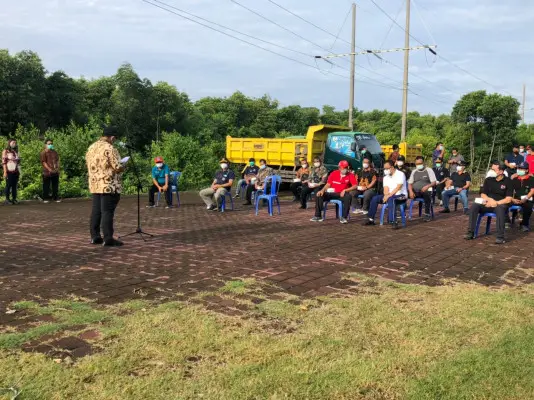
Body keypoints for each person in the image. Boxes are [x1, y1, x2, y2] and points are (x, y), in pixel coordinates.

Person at [86, 126, 125, 246]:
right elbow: (117, 167)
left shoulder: (91, 147)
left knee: (96, 211)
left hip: (95, 184)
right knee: (107, 211)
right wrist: (124, 165)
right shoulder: (110, 148)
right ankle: (108, 238)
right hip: (108, 185)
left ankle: (95, 236)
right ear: (112, 137)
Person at [464, 162, 512, 244]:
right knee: (475, 206)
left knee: (501, 209)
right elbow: (483, 194)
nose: (491, 171)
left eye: (494, 170)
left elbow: (508, 199)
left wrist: (495, 203)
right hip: (487, 203)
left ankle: (500, 237)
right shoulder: (488, 180)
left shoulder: (508, 181)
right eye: (491, 169)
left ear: (501, 171)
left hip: (500, 204)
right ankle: (470, 232)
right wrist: (490, 200)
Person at [364, 160, 408, 229]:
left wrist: (388, 196)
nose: (385, 170)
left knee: (391, 199)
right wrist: (386, 195)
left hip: (401, 195)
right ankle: (370, 219)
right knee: (375, 198)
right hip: (389, 195)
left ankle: (393, 221)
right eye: (385, 168)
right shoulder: (386, 177)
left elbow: (398, 188)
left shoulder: (400, 174)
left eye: (387, 168)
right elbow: (385, 188)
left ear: (392, 167)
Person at [408, 156, 437, 222]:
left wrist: (427, 186)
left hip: (427, 189)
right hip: (416, 191)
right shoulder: (414, 171)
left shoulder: (429, 170)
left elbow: (434, 182)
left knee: (428, 192)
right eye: (417, 164)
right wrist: (410, 191)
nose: (418, 165)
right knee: (403, 194)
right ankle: (401, 214)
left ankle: (427, 214)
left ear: (423, 163)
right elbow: (410, 183)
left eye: (420, 163)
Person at [510, 161, 534, 232]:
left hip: (528, 197)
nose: (519, 170)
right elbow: (510, 190)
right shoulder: (515, 178)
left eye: (522, 169)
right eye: (519, 168)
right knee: (505, 202)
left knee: (528, 205)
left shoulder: (531, 179)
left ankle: (524, 224)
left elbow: (532, 191)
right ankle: (507, 221)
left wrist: (526, 198)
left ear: (526, 170)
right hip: (516, 198)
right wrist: (512, 199)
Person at [40, 139, 61, 203]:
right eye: (49, 144)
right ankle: (45, 198)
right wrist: (49, 169)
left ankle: (55, 197)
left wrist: (57, 168)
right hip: (47, 172)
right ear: (45, 145)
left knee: (55, 185)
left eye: (51, 143)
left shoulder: (54, 152)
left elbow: (57, 160)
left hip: (55, 171)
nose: (50, 145)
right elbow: (43, 162)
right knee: (46, 185)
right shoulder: (43, 152)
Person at [2, 139, 21, 205]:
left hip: (16, 171)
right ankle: (7, 199)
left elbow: (19, 162)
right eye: (13, 143)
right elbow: (4, 162)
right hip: (9, 171)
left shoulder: (16, 151)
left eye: (15, 143)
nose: (14, 144)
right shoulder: (6, 151)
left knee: (14, 185)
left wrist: (20, 171)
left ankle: (14, 199)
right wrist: (5, 172)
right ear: (9, 143)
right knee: (8, 185)